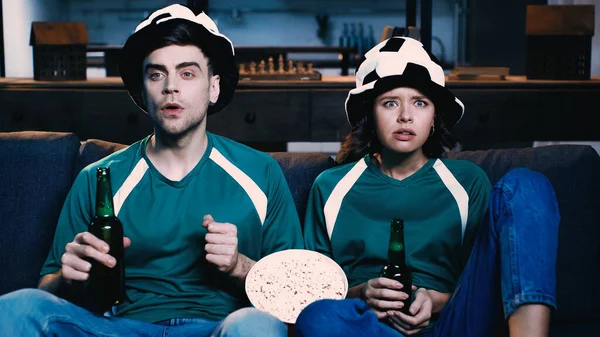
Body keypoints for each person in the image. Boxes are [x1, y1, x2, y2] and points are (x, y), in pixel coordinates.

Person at [0, 4, 303, 336]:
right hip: (121, 328)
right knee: (17, 308)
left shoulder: (261, 172)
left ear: (213, 87)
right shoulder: (98, 178)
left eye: (187, 73)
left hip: (220, 328)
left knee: (256, 324)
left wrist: (237, 266)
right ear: (141, 92)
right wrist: (67, 280)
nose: (171, 86)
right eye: (156, 74)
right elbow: (47, 289)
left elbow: (297, 295)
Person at [295, 36, 559, 337]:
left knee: (526, 184)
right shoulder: (330, 187)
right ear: (370, 115)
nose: (405, 116)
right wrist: (361, 295)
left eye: (420, 103)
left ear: (434, 118)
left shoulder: (467, 181)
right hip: (369, 328)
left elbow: (483, 279)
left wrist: (435, 301)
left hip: (453, 325)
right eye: (390, 103)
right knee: (318, 316)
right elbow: (312, 290)